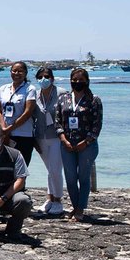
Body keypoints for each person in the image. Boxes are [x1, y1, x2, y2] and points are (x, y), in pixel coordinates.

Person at [55, 67, 103, 221]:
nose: (77, 83)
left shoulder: (94, 100)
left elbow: (97, 125)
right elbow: (57, 121)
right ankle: (75, 206)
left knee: (83, 177)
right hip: (67, 144)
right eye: (74, 80)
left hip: (87, 146)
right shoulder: (63, 99)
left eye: (80, 80)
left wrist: (86, 141)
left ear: (87, 81)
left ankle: (81, 208)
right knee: (70, 178)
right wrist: (63, 139)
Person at [33, 66, 65, 215]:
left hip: (57, 137)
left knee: (55, 170)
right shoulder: (35, 95)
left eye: (46, 76)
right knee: (49, 170)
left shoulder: (62, 93)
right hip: (40, 137)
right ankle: (50, 198)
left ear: (52, 78)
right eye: (40, 77)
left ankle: (58, 200)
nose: (43, 80)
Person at [0, 61, 37, 165]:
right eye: (14, 71)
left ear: (25, 73)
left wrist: (10, 128)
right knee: (5, 168)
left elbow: (28, 113)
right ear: (10, 72)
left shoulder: (30, 89)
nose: (17, 73)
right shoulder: (3, 88)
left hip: (24, 135)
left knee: (21, 168)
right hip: (5, 135)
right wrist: (4, 129)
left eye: (20, 71)